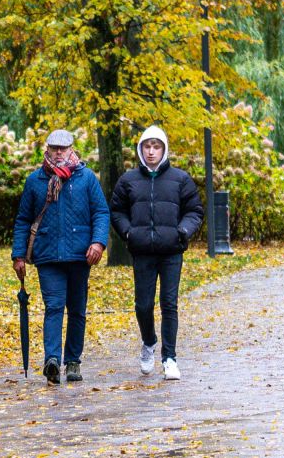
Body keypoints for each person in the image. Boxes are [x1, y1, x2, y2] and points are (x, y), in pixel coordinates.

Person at [12, 129, 109, 385]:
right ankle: (52, 360)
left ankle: (73, 361)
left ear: (71, 149)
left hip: (80, 255)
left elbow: (101, 212)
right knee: (54, 307)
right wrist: (18, 255)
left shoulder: (86, 178)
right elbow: (23, 219)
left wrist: (98, 242)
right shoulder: (35, 181)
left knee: (77, 310)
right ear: (47, 149)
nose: (58, 152)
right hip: (48, 256)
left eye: (62, 148)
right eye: (54, 148)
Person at [110, 126, 204, 381]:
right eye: (147, 146)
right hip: (142, 251)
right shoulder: (128, 180)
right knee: (143, 305)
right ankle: (149, 341)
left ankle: (169, 358)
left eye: (156, 146)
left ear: (164, 149)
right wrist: (128, 232)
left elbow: (194, 210)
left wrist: (183, 231)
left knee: (169, 303)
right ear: (140, 149)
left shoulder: (180, 179)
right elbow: (117, 211)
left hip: (171, 251)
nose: (151, 151)